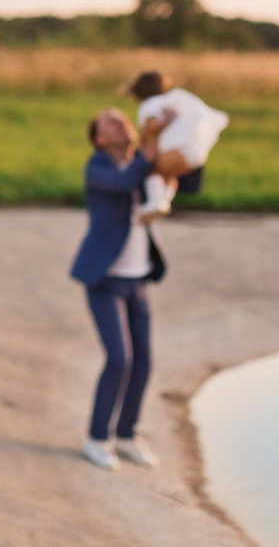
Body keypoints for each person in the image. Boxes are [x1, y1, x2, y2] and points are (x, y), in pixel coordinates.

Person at [69, 107, 167, 471]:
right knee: (119, 358)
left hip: (138, 279)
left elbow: (186, 181)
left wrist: (175, 143)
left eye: (123, 117)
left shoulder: (144, 164)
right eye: (110, 121)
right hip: (105, 280)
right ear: (100, 138)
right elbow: (124, 183)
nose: (121, 121)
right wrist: (151, 145)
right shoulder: (98, 168)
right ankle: (96, 438)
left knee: (144, 360)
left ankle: (127, 435)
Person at [126, 70, 228, 222]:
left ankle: (156, 203)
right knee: (169, 175)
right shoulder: (174, 101)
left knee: (152, 170)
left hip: (177, 150)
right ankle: (164, 202)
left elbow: (151, 126)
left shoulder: (150, 105)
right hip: (197, 155)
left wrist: (144, 143)